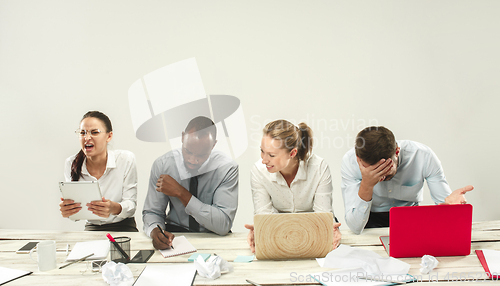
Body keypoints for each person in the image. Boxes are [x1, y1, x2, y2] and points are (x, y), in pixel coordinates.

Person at [341, 126, 474, 234]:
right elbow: (355, 227)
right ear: (359, 159)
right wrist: (367, 184)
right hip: (369, 221)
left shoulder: (423, 156)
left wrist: (451, 209)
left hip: (411, 218)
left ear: (397, 151)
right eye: (373, 171)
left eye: (385, 169)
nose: (380, 178)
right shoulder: (350, 162)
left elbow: (445, 207)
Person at [142, 116, 239, 250]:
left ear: (213, 145)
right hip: (175, 234)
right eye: (188, 151)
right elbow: (152, 212)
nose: (193, 160)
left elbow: (222, 225)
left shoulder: (226, 169)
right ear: (182, 137)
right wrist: (156, 232)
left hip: (213, 234)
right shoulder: (163, 165)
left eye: (201, 155)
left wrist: (181, 193)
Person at [245, 120, 341, 253]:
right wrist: (260, 230)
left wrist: (329, 228)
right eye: (262, 151)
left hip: (314, 232)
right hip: (279, 232)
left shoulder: (318, 167)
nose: (264, 160)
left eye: (271, 155)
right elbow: (263, 215)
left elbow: (322, 217)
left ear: (292, 153)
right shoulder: (258, 171)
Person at [59, 111, 138, 232]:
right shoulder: (71, 163)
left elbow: (131, 206)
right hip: (92, 228)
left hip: (123, 226)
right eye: (82, 133)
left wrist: (114, 208)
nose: (87, 137)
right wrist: (69, 212)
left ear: (109, 136)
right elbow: (75, 214)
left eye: (94, 132)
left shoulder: (125, 159)